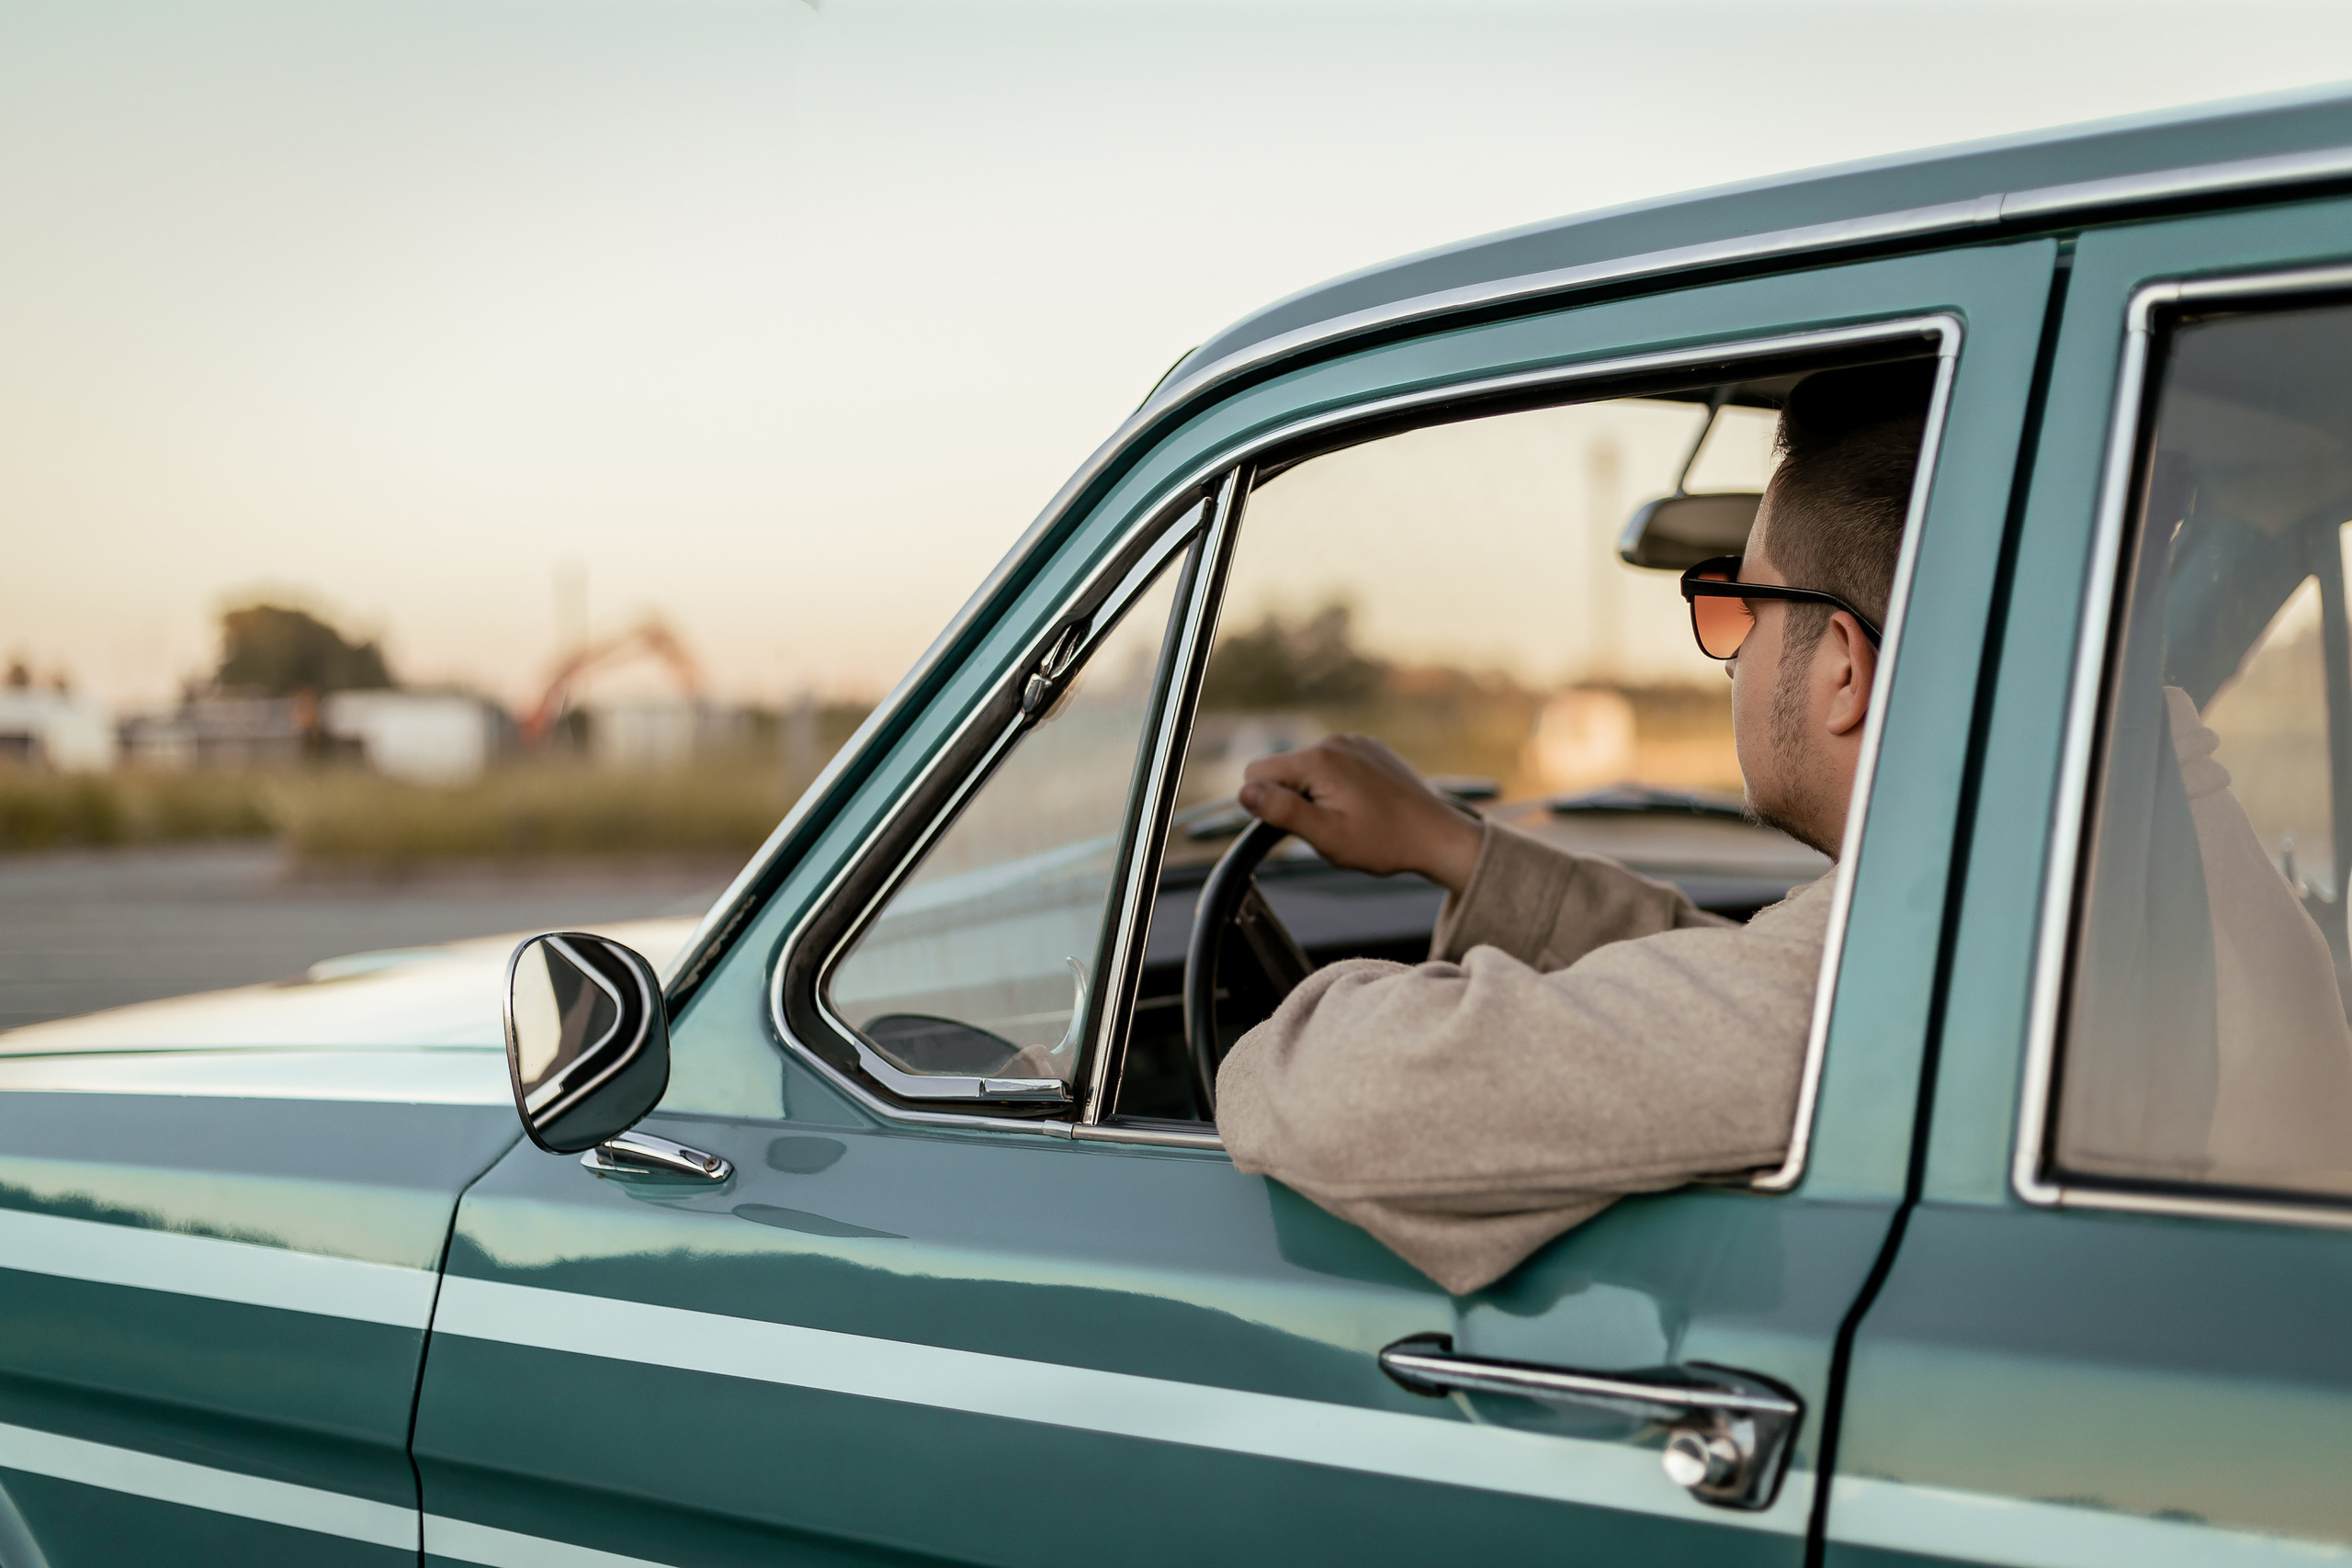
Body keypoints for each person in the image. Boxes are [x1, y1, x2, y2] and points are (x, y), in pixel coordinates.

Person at [1211, 362, 1930, 1294]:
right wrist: (1454, 850)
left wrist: (1278, 1034)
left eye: (1738, 605)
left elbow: (1337, 1097)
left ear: (1842, 668)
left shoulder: (1882, 989)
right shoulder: (2069, 895)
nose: (1728, 658)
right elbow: (1728, 997)